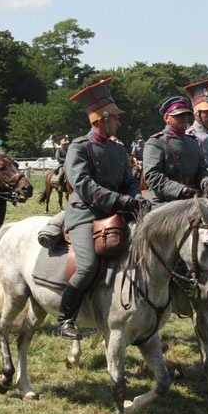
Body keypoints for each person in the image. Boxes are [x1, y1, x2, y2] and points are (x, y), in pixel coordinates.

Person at [59, 78, 143, 340]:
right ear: (102, 119)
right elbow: (82, 185)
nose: (119, 122)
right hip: (86, 214)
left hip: (116, 213)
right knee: (87, 266)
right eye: (115, 118)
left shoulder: (118, 150)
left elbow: (130, 181)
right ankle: (65, 318)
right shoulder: (79, 147)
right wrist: (117, 200)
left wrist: (136, 198)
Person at [143, 96, 208, 207]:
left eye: (186, 115)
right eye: (178, 115)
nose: (184, 118)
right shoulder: (156, 142)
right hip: (164, 201)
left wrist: (205, 181)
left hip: (193, 198)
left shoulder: (193, 142)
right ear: (166, 117)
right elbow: (153, 176)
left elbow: (201, 170)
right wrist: (180, 190)